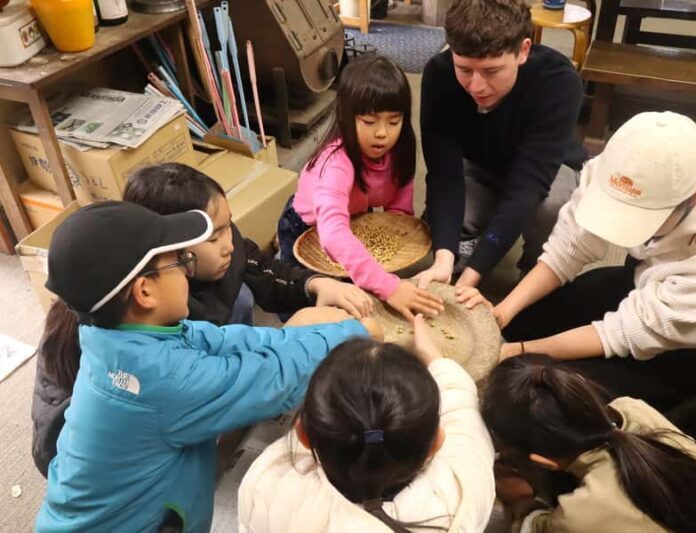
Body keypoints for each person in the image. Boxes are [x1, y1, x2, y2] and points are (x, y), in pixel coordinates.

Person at [35, 201, 381, 532]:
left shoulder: (122, 338)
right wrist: (356, 333)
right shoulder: (160, 380)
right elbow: (271, 380)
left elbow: (232, 341)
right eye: (180, 261)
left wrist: (331, 334)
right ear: (144, 292)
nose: (188, 271)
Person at [470, 111, 696, 411]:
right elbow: (567, 250)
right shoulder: (615, 171)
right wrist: (501, 313)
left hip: (690, 345)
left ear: (692, 199)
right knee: (523, 322)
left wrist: (521, 352)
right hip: (644, 279)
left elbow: (620, 334)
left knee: (544, 394)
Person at [238, 315, 496, 532]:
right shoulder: (459, 500)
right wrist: (433, 356)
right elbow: (465, 422)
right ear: (435, 445)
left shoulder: (269, 485)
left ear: (303, 435)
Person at [415, 0, 586, 290]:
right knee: (442, 223)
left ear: (523, 51)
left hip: (548, 171)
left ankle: (535, 275)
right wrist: (443, 259)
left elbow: (527, 187)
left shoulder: (558, 81)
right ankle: (473, 246)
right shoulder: (439, 74)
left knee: (553, 211)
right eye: (464, 69)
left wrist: (473, 277)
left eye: (492, 71)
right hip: (481, 166)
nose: (476, 87)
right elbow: (444, 176)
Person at [482, 355, 696, 533]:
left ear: (544, 462)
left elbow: (536, 527)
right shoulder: (633, 410)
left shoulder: (583, 513)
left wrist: (523, 501)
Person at [277, 54, 444, 322]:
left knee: (351, 288)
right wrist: (389, 287)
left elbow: (398, 212)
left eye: (394, 121)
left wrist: (389, 254)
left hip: (354, 219)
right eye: (369, 121)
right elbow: (333, 234)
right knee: (303, 298)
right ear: (346, 116)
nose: (382, 133)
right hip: (306, 226)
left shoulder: (401, 150)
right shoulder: (335, 162)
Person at [123, 163, 374, 325]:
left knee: (241, 294)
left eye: (228, 227)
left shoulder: (228, 249)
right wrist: (290, 337)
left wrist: (316, 283)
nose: (228, 245)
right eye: (213, 238)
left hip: (232, 344)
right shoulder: (166, 313)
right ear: (170, 251)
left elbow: (263, 269)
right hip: (214, 378)